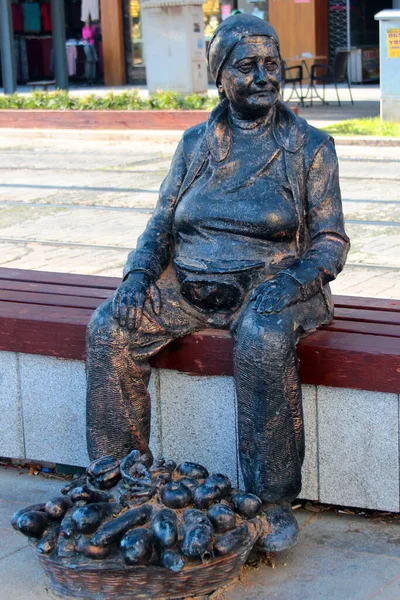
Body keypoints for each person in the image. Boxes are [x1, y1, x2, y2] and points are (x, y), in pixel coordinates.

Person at [86, 15, 349, 552]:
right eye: (247, 67)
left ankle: (270, 500)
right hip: (190, 284)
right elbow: (161, 222)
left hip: (274, 283)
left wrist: (296, 280)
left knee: (262, 338)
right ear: (221, 76)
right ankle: (120, 481)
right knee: (110, 326)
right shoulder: (196, 144)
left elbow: (330, 242)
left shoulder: (310, 147)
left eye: (271, 65)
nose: (264, 77)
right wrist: (138, 273)